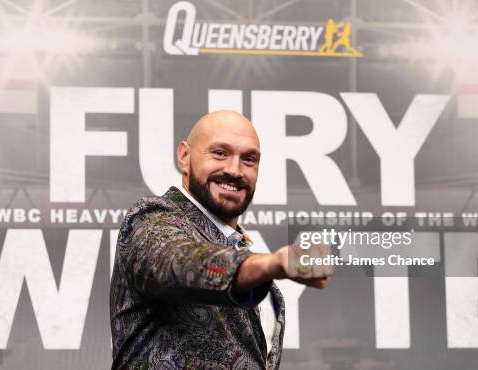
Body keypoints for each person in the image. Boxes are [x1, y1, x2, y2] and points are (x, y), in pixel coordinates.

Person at [110, 110, 333, 369]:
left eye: (248, 159)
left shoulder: (244, 256)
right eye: (220, 153)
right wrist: (271, 264)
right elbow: (179, 262)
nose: (234, 170)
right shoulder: (150, 219)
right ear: (184, 156)